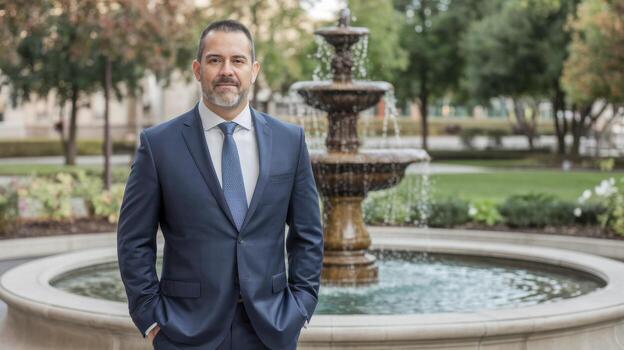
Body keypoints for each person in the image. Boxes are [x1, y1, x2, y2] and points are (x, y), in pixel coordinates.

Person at [117, 19, 323, 350]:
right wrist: (151, 317)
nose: (227, 70)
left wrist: (300, 307)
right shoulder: (158, 145)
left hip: (270, 329)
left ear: (253, 70)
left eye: (237, 60)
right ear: (198, 69)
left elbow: (308, 234)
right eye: (215, 60)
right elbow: (133, 240)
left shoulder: (291, 141)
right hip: (184, 329)